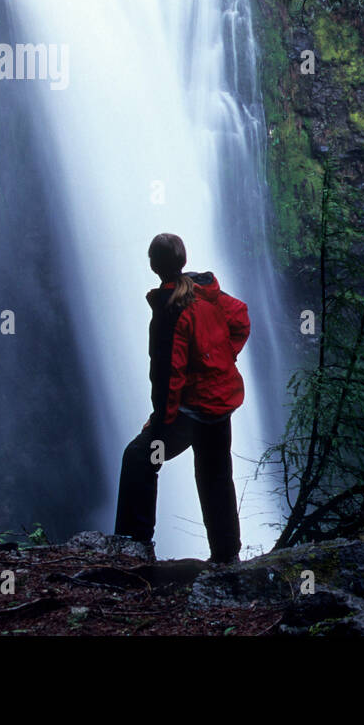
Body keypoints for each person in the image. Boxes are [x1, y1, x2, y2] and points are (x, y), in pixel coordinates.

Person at [114, 233, 250, 563]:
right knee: (215, 476)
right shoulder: (208, 292)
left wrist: (160, 420)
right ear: (182, 261)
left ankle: (133, 548)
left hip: (193, 409)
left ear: (154, 265)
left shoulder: (171, 311)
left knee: (139, 458)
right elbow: (241, 318)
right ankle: (226, 556)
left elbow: (167, 375)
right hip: (221, 402)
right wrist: (221, 360)